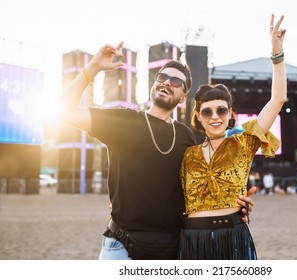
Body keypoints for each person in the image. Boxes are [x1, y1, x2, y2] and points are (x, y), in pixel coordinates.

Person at [59, 42, 255, 260]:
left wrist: (235, 205)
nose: (166, 83)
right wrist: (93, 67)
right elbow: (65, 111)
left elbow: (202, 185)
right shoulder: (123, 120)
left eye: (175, 81)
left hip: (173, 247)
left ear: (182, 98)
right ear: (154, 84)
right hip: (122, 244)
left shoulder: (186, 137)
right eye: (162, 77)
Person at [178, 14, 286, 260]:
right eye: (207, 111)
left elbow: (278, 100)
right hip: (192, 240)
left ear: (230, 114)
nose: (214, 116)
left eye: (221, 110)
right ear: (198, 116)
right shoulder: (186, 153)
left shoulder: (244, 142)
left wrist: (277, 55)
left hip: (233, 236)